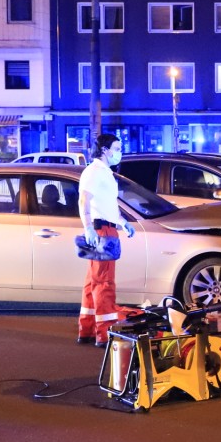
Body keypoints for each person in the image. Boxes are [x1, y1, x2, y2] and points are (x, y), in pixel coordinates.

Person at [77, 133, 135, 347]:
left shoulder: (103, 173)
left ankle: (88, 328)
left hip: (105, 228)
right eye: (117, 148)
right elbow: (84, 200)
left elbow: (107, 206)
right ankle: (104, 333)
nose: (120, 152)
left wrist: (122, 222)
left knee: (93, 282)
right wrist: (88, 228)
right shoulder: (94, 172)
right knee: (104, 282)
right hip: (102, 232)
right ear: (105, 150)